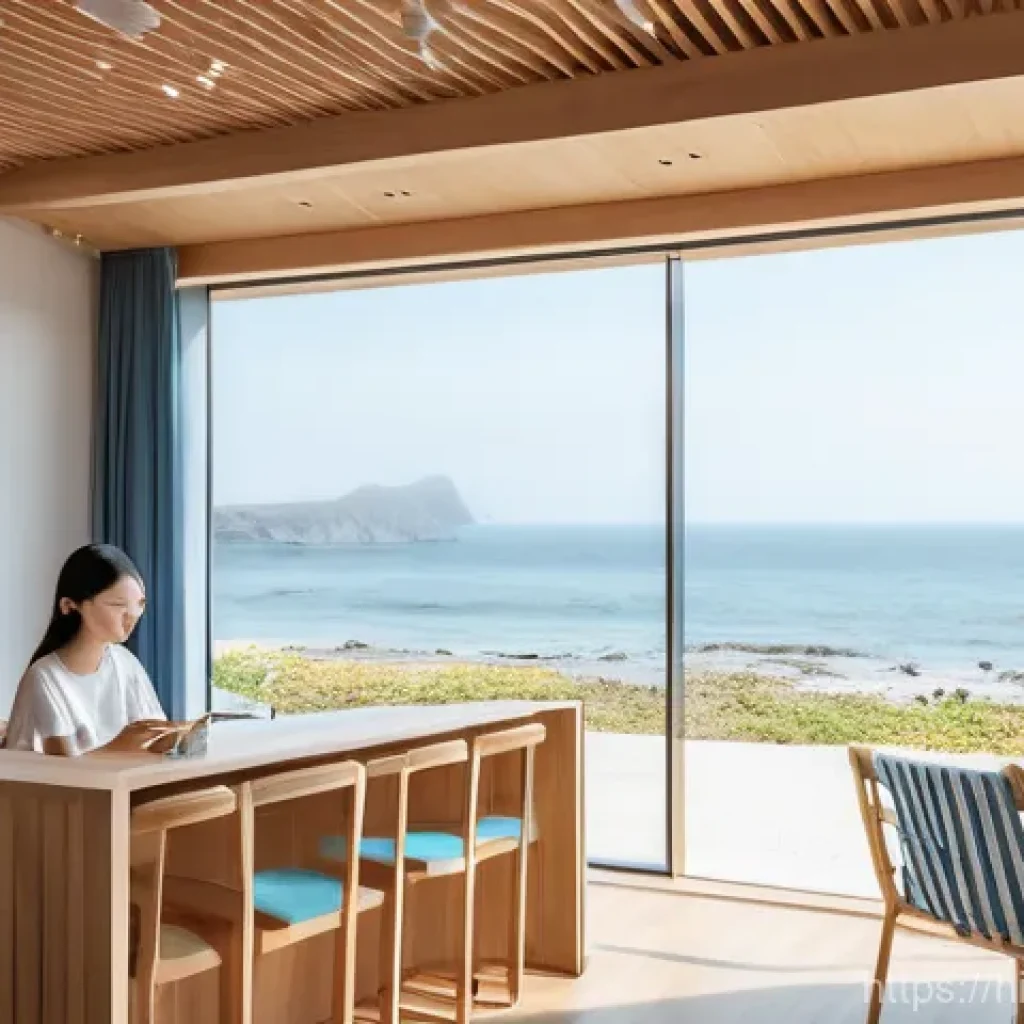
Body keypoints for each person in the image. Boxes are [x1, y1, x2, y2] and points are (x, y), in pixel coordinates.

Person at [5, 544, 176, 756]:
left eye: (139, 604)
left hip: (121, 785)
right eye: (117, 605)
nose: (131, 616)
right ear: (69, 605)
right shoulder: (45, 677)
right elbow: (63, 772)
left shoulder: (125, 663)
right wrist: (119, 748)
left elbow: (155, 735)